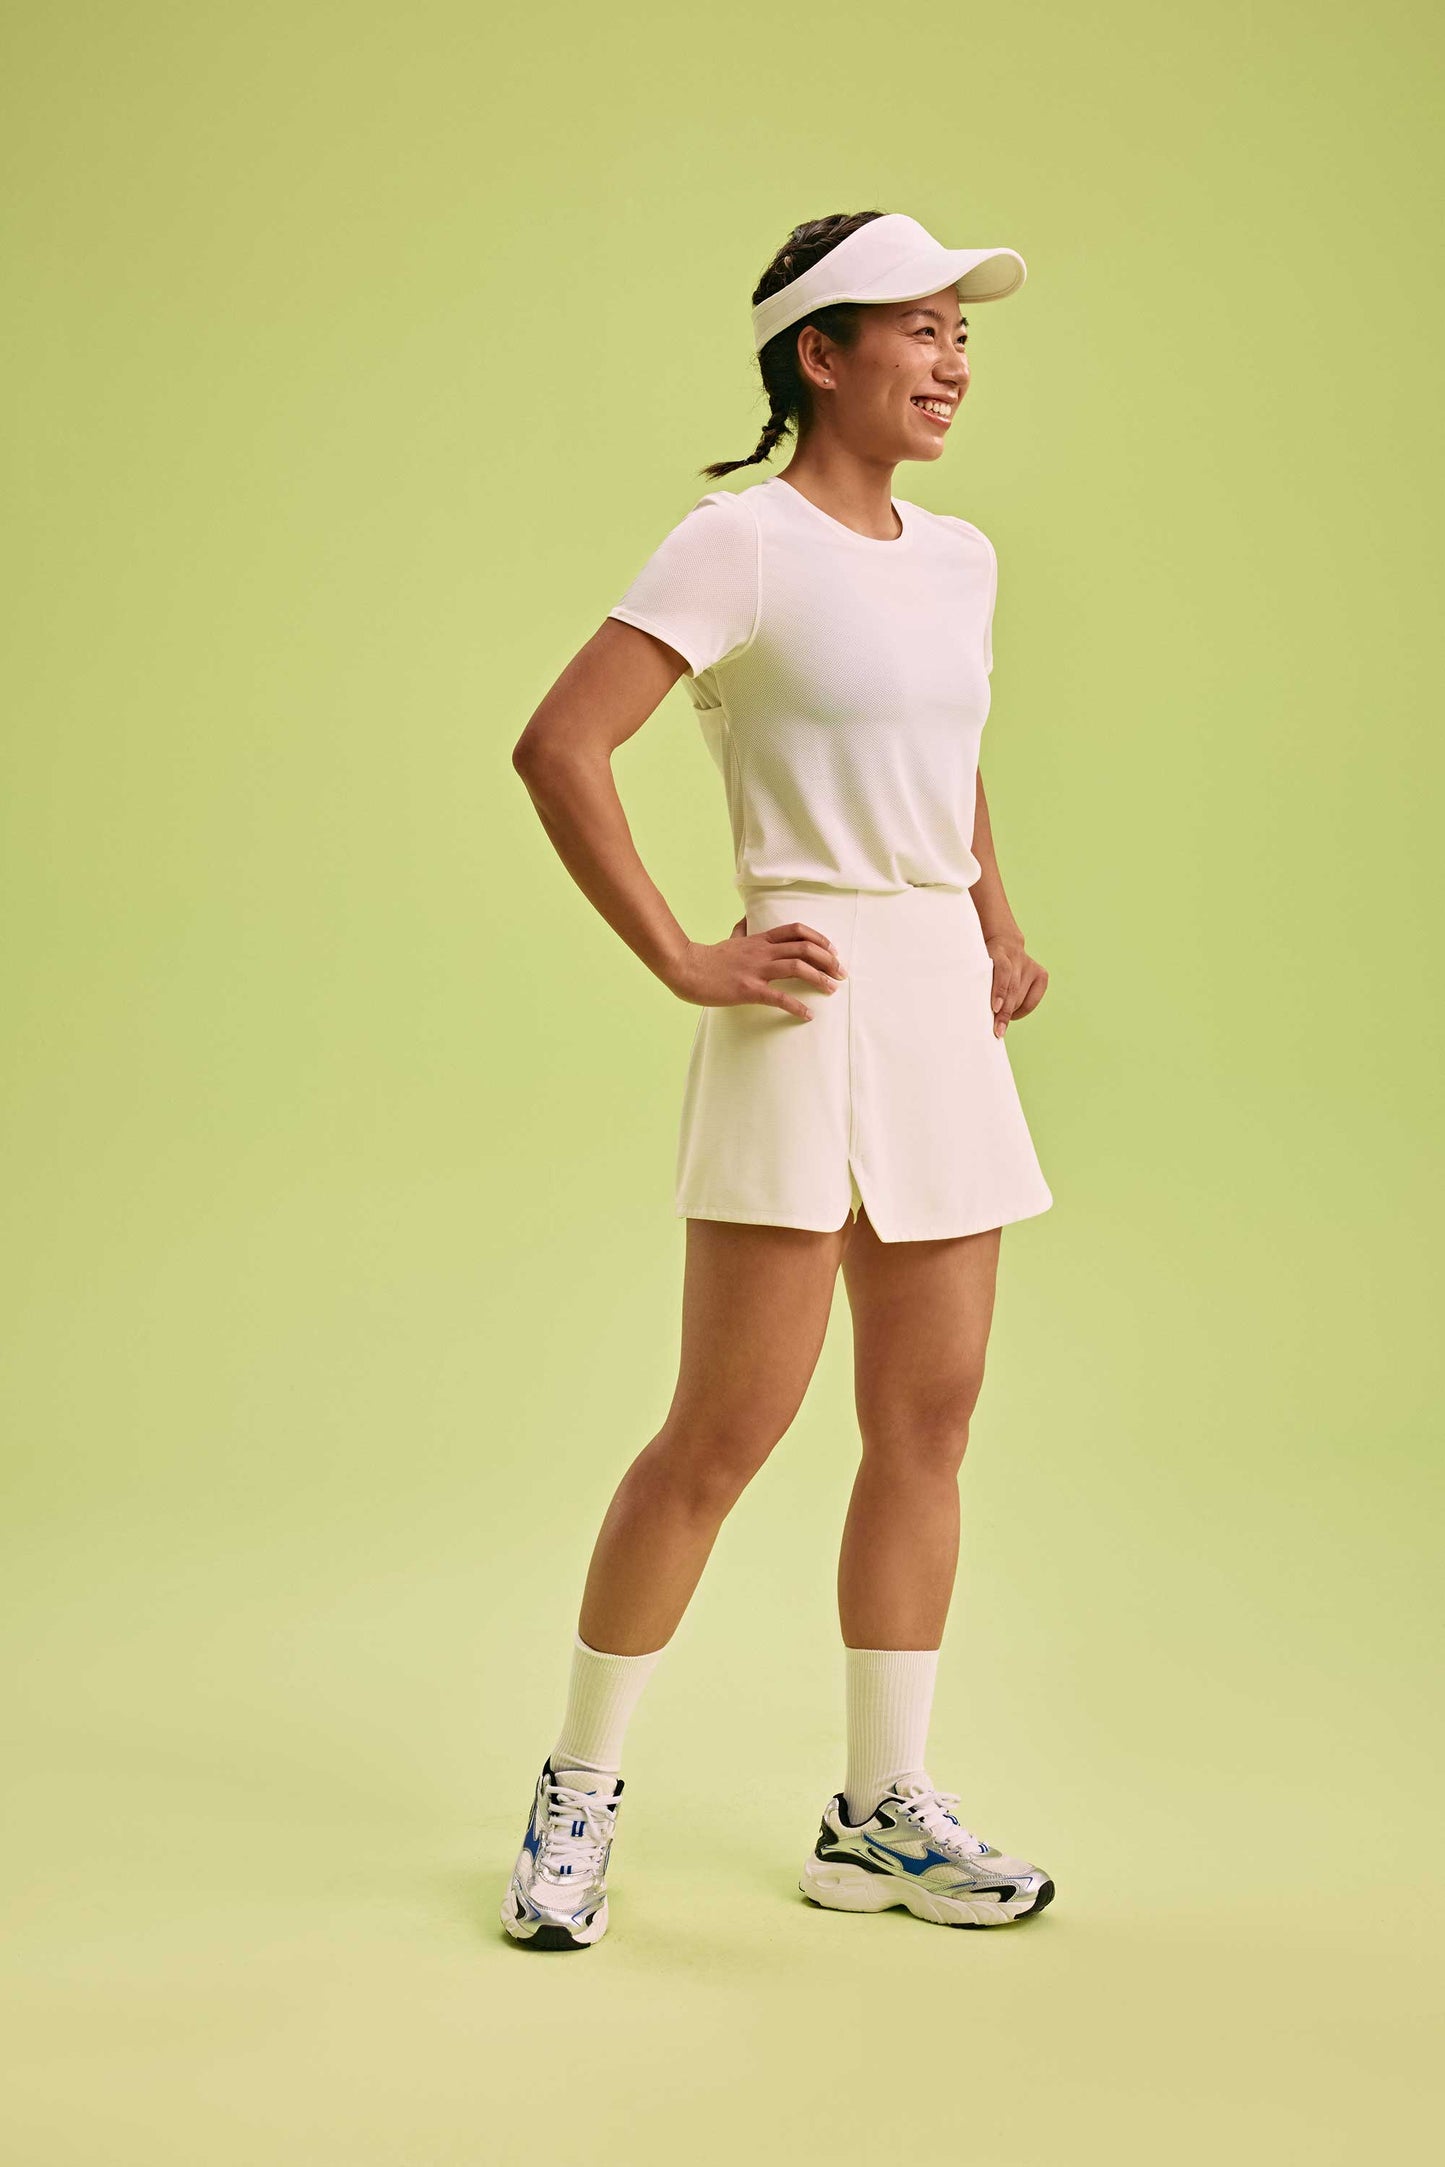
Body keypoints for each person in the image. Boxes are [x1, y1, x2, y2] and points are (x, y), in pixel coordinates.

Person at [504, 209, 1057, 1951]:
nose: (955, 357)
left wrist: (996, 924)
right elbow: (558, 740)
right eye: (918, 327)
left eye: (963, 333)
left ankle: (876, 1816)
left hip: (936, 1009)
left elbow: (946, 763)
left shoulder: (959, 558)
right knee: (722, 1432)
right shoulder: (734, 543)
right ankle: (577, 1796)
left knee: (931, 1421)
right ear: (818, 355)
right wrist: (683, 951)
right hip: (803, 1002)